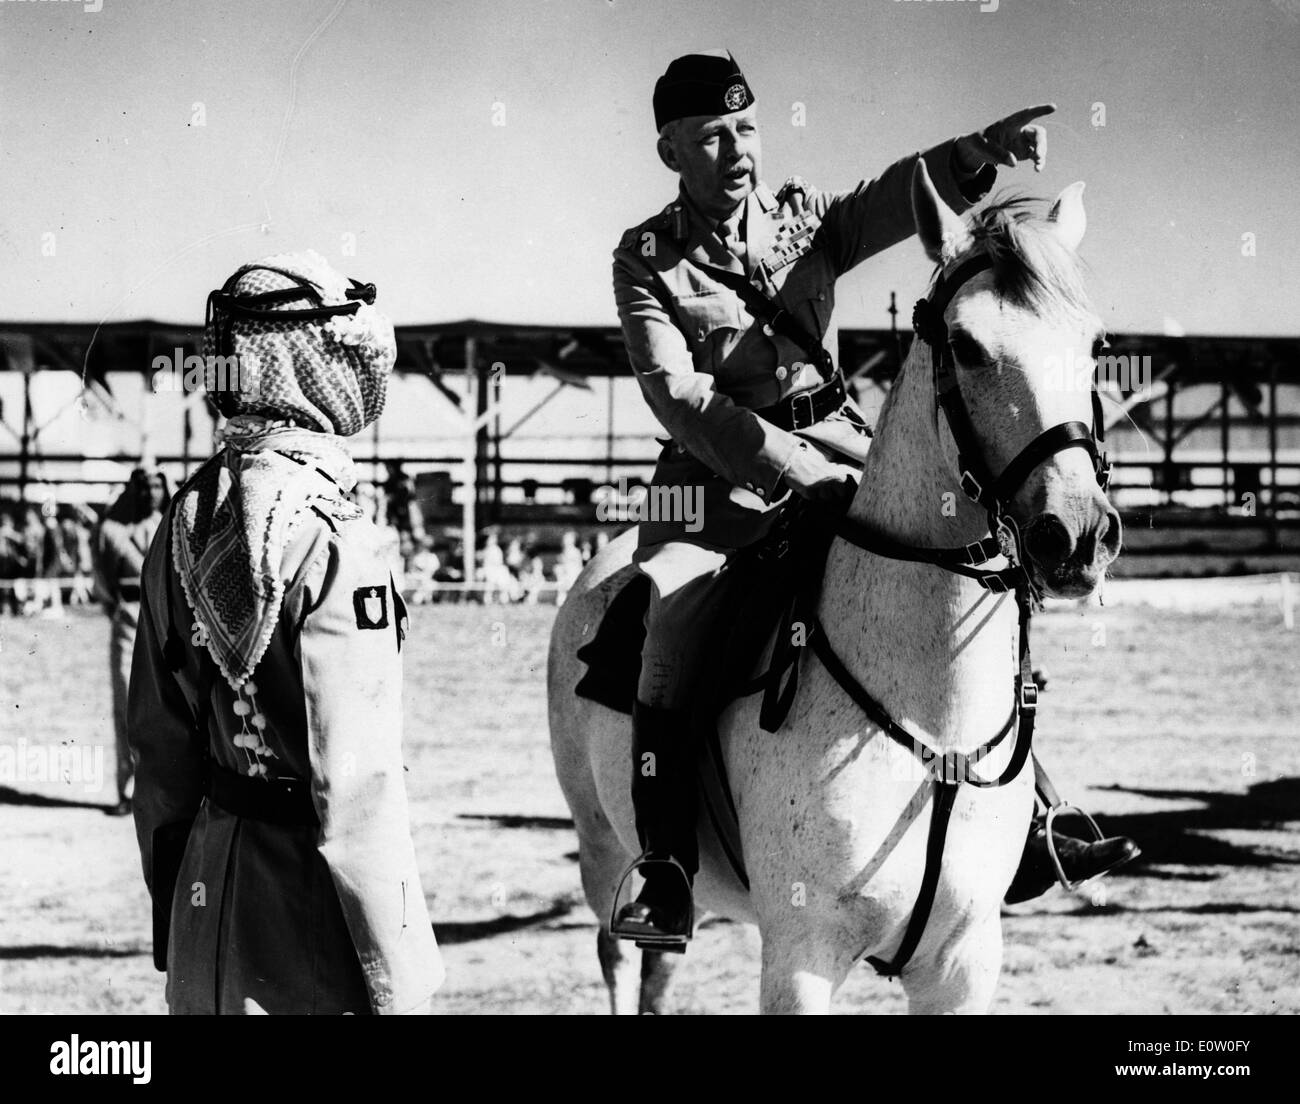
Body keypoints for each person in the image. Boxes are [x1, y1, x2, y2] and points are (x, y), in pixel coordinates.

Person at [609, 51, 1137, 948]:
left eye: (746, 128)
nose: (738, 151)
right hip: (710, 483)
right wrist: (787, 468)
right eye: (711, 137)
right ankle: (664, 867)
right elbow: (678, 396)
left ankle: (1033, 810)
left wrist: (983, 153)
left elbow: (894, 199)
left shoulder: (800, 219)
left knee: (980, 568)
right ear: (671, 151)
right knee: (666, 626)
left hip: (843, 438)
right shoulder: (645, 259)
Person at [128, 250, 444, 1014]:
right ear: (303, 367)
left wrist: (178, 914)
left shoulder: (184, 518)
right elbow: (359, 789)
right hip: (306, 919)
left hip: (209, 897)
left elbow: (160, 757)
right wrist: (401, 983)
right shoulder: (339, 535)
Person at [93, 467, 171, 814]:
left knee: (167, 706)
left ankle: (164, 791)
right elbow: (101, 577)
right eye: (142, 485)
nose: (149, 492)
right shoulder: (111, 530)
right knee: (126, 702)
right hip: (128, 617)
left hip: (167, 622)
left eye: (156, 485)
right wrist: (118, 607)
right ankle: (128, 791)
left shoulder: (173, 524)